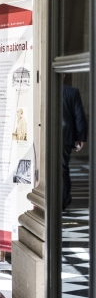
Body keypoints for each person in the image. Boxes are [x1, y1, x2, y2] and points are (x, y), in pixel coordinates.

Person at [62, 79, 88, 210]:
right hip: (65, 136)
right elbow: (79, 116)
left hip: (44, 135)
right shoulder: (72, 92)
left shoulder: (41, 89)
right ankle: (64, 199)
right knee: (63, 167)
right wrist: (81, 137)